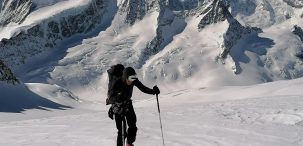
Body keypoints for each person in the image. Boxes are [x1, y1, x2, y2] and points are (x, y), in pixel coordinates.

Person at [107, 67, 160, 146]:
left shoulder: (133, 80)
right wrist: (118, 98)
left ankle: (129, 144)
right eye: (130, 79)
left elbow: (143, 88)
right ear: (125, 77)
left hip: (128, 104)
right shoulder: (117, 83)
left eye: (133, 79)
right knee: (122, 132)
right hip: (117, 107)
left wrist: (153, 91)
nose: (131, 81)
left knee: (132, 126)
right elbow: (109, 99)